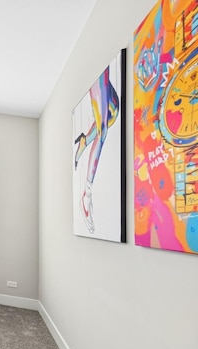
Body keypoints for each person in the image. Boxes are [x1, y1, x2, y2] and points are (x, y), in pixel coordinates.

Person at [74, 67, 119, 233]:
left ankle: (84, 142)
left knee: (113, 112)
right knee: (102, 131)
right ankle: (87, 195)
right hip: (99, 75)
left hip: (103, 74)